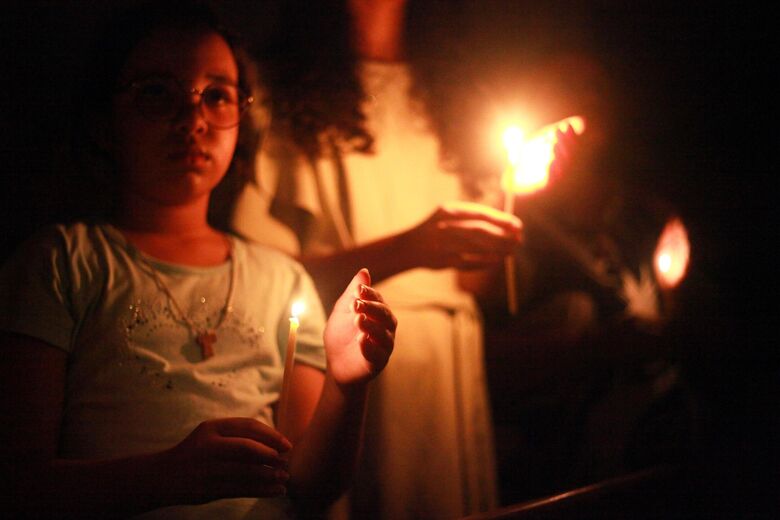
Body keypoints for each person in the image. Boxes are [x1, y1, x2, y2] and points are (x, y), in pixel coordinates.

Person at [0, 2, 396, 518]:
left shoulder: (279, 279)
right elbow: (15, 484)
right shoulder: (61, 264)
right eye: (157, 94)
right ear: (103, 120)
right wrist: (166, 477)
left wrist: (347, 386)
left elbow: (310, 486)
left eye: (217, 96)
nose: (194, 119)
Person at [231, 1, 523, 518]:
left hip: (444, 367)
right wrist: (408, 249)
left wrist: (519, 195)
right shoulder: (277, 90)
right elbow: (264, 284)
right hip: (348, 368)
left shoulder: (454, 93)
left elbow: (473, 285)